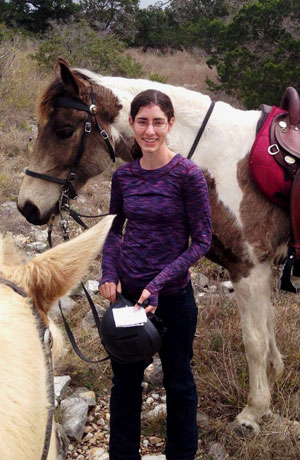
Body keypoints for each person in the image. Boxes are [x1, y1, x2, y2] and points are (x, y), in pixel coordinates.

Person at [99, 89, 212, 460]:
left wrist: (158, 285)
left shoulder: (187, 175)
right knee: (126, 383)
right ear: (131, 125)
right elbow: (115, 230)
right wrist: (108, 274)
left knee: (178, 382)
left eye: (158, 123)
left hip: (174, 297)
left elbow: (202, 241)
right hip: (129, 297)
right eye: (143, 122)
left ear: (170, 125)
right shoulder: (125, 177)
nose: (150, 131)